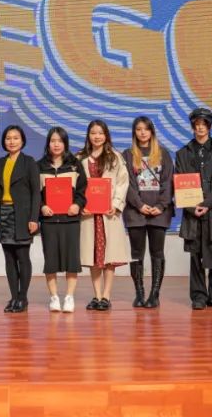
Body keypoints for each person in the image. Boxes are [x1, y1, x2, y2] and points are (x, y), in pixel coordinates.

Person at [175, 107, 212, 310]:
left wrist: (207, 204)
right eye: (197, 124)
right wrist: (193, 208)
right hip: (193, 211)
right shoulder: (182, 153)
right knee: (195, 255)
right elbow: (180, 183)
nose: (200, 128)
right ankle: (198, 296)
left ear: (209, 126)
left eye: (203, 124)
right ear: (192, 126)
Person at [78, 120, 131, 311]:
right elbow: (75, 185)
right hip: (89, 215)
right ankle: (97, 295)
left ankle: (106, 296)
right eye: (93, 133)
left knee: (110, 258)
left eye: (100, 133)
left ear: (106, 135)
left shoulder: (115, 157)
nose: (97, 136)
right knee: (94, 256)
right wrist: (79, 205)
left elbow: (123, 183)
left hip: (109, 214)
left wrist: (116, 205)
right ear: (88, 135)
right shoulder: (80, 158)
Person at [122, 116, 174, 309]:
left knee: (157, 252)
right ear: (134, 132)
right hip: (136, 212)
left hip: (159, 212)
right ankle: (140, 293)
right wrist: (139, 204)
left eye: (146, 129)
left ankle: (154, 294)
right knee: (137, 253)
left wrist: (161, 205)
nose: (142, 132)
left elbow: (168, 182)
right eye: (138, 129)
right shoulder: (127, 155)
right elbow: (126, 183)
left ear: (152, 131)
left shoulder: (163, 153)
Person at [0, 125, 40, 313]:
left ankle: (23, 298)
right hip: (3, 214)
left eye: (16, 138)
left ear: (22, 140)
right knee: (9, 258)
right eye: (8, 138)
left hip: (22, 215)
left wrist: (34, 218)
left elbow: (36, 193)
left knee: (22, 257)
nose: (12, 141)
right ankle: (13, 297)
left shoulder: (29, 162)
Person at [37, 126, 87, 314]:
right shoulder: (39, 166)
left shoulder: (75, 165)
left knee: (71, 260)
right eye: (53, 141)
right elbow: (34, 193)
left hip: (70, 220)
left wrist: (77, 205)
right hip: (49, 221)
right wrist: (42, 206)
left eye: (60, 141)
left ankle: (69, 297)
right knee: (50, 260)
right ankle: (54, 297)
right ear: (48, 143)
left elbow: (82, 191)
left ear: (65, 143)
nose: (56, 144)